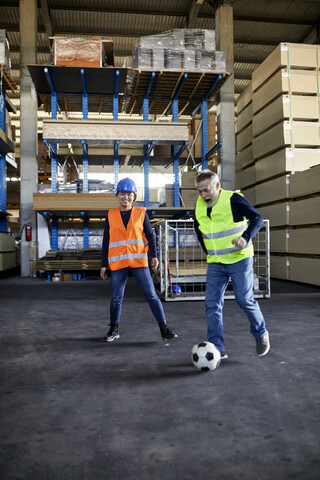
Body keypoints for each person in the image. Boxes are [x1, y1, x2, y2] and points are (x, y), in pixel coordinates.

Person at [194, 170, 270, 359]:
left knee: (244, 299)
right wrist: (207, 249)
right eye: (199, 191)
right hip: (216, 263)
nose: (203, 195)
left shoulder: (233, 199)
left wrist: (245, 238)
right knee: (212, 304)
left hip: (239, 259)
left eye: (206, 190)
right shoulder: (199, 203)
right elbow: (198, 225)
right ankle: (217, 347)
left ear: (217, 186)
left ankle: (261, 333)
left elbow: (257, 219)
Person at [100, 177, 177, 342]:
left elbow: (150, 235)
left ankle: (164, 328)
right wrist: (103, 264)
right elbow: (106, 240)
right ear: (117, 195)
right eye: (122, 194)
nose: (125, 197)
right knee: (116, 298)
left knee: (151, 295)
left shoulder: (141, 213)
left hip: (139, 262)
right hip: (119, 262)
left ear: (134, 196)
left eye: (129, 194)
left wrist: (154, 256)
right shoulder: (111, 215)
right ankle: (114, 329)